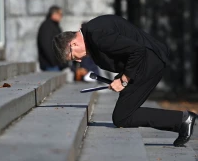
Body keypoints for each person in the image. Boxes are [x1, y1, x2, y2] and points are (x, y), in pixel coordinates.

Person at [52, 15, 197, 147]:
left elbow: (137, 50)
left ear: (73, 45)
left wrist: (124, 80)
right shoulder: (93, 33)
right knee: (123, 114)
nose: (78, 60)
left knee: (122, 116)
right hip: (145, 62)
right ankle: (181, 121)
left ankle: (183, 120)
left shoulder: (97, 35)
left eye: (73, 57)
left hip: (149, 62)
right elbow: (124, 54)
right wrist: (119, 78)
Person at [37, 6, 67, 71]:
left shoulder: (55, 26)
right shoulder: (46, 26)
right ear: (54, 14)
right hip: (51, 65)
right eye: (60, 14)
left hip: (56, 64)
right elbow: (46, 46)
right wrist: (54, 62)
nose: (61, 16)